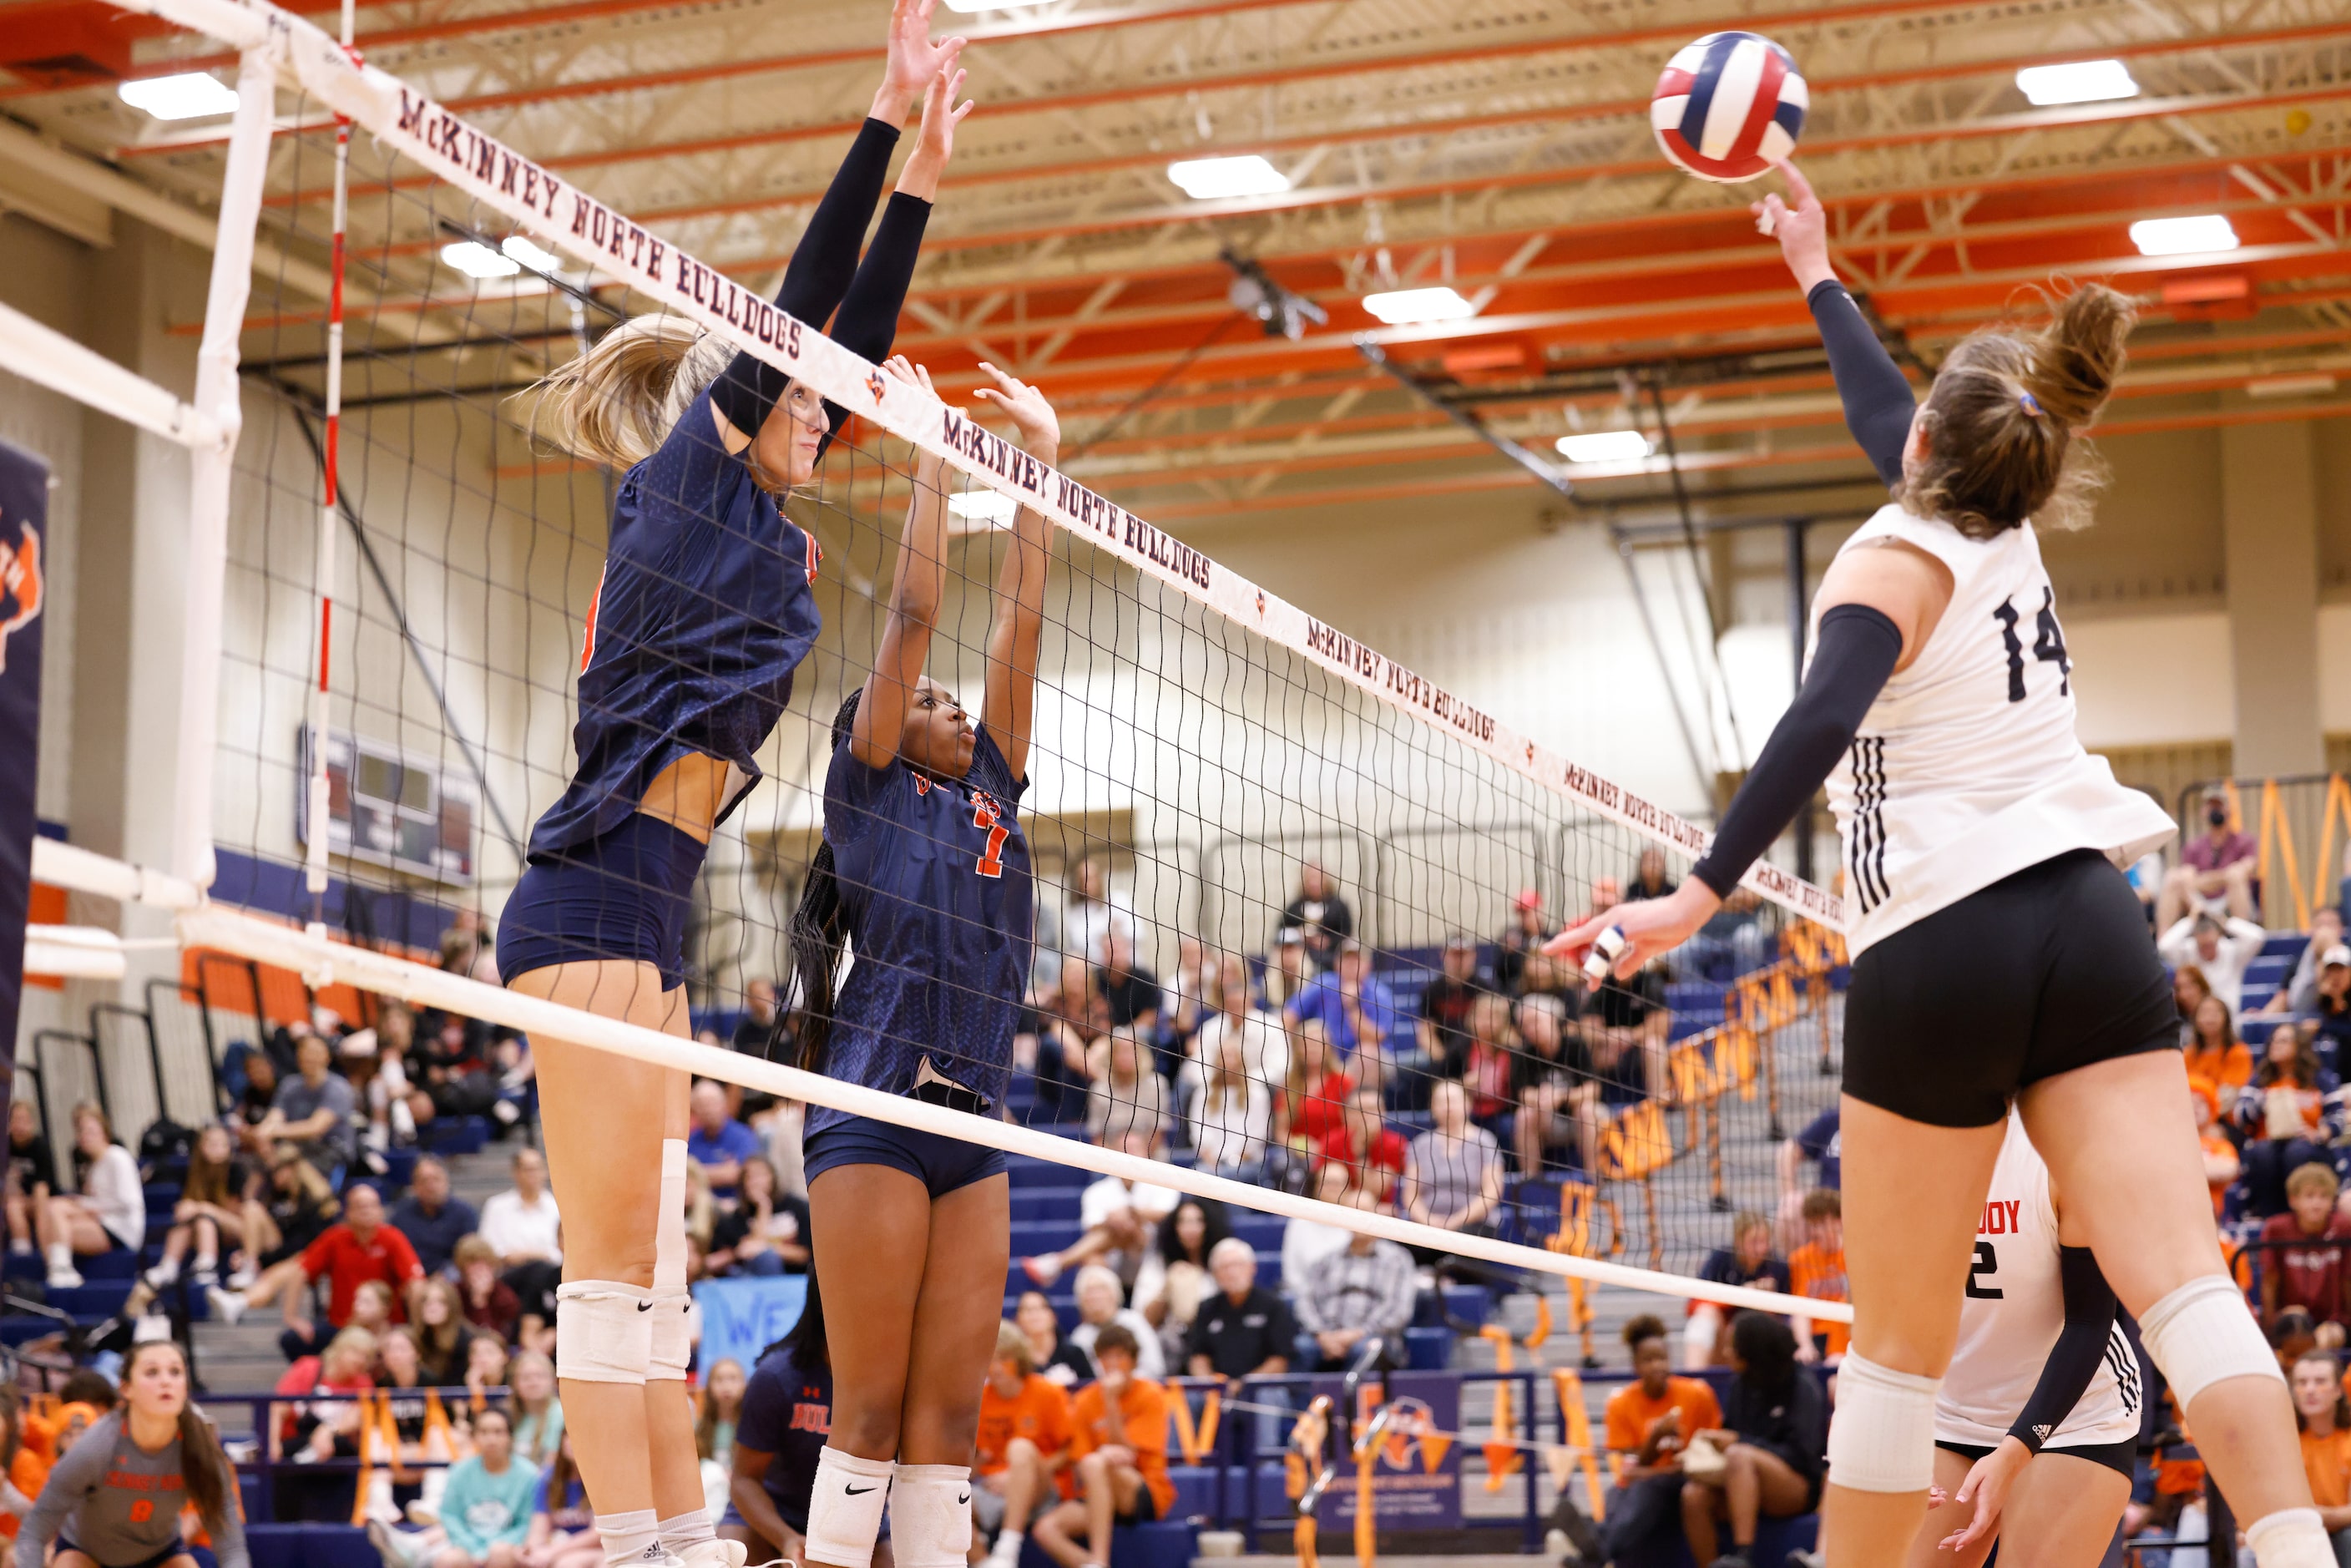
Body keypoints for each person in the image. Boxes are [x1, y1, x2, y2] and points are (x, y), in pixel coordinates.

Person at [1559, 159, 2332, 1568]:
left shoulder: (1889, 556)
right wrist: (1815, 264)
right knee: (2186, 1288)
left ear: (1932, 441)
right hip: (2093, 914)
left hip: (1945, 937)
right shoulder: (2000, 523)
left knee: (1899, 1354)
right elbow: (1884, 411)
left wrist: (1697, 888)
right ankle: (2296, 1550)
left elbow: (1814, 719)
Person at [493, 8, 966, 1564]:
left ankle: (674, 1531)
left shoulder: (769, 525)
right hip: (590, 894)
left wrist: (927, 193)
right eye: (802, 398)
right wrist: (883, 120)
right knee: (608, 1271)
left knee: (658, 1278)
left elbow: (853, 344)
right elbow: (805, 311)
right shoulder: (689, 484)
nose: (827, 410)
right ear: (741, 410)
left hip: (656, 907)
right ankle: (636, 1540)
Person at [782, 346, 1051, 1568]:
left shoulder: (993, 776)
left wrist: (1041, 471)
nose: (948, 702)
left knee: (951, 1423)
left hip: (977, 1119)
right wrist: (935, 462)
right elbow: (912, 616)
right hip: (875, 1109)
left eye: (952, 700)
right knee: (875, 1413)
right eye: (926, 699)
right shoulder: (871, 787)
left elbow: (1022, 618)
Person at [1906, 1111, 2140, 1568]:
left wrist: (2017, 1449)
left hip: (2074, 1417)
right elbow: (1901, 1321)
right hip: (1954, 1415)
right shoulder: (1902, 1153)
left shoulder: (2062, 1158)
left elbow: (2089, 1325)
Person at [19, 1339, 246, 1568]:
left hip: (160, 1553)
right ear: (126, 1388)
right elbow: (34, 1530)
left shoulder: (200, 1447)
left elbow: (232, 1547)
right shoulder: (96, 1446)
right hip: (86, 1552)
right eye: (152, 1372)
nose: (166, 1381)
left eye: (175, 1372)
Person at [726, 1273, 894, 1568]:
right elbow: (744, 1480)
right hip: (774, 1516)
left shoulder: (892, 1380)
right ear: (825, 1303)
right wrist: (786, 1538)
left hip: (858, 1519)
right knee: (731, 1556)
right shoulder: (776, 1376)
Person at [1677, 1313, 1826, 1568]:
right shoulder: (1739, 1386)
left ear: (1751, 1350)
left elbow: (1805, 1456)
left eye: (1731, 1347)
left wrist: (1741, 1442)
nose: (1725, 1353)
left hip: (1795, 1487)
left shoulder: (1802, 1385)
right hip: (1743, 1484)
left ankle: (1742, 1556)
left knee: (1739, 1455)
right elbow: (1733, 1436)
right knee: (1694, 1495)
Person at [1029, 1326, 1173, 1568]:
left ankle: (1099, 1558)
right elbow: (1080, 1463)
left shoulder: (1151, 1394)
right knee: (1046, 1530)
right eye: (1106, 1357)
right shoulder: (1085, 1399)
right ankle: (1094, 1565)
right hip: (1097, 1492)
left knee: (1097, 1462)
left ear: (1133, 1360)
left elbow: (1131, 1457)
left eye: (1120, 1356)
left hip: (1141, 1485)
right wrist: (1103, 1457)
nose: (1113, 1364)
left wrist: (1110, 1401)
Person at [1598, 1314, 1725, 1562]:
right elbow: (1635, 1468)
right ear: (1635, 1365)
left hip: (1687, 1480)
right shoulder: (1621, 1404)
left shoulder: (1697, 1394)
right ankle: (1600, 1548)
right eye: (1648, 1360)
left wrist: (1650, 1473)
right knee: (1616, 1495)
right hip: (1649, 1487)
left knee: (1645, 1487)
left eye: (1663, 1358)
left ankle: (1597, 1553)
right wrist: (1656, 1436)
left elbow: (1707, 1457)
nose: (1658, 1366)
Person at [971, 1322, 1074, 1568]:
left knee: (1020, 1448)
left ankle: (1008, 1546)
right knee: (947, 1499)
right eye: (991, 1359)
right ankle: (988, 1563)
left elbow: (1070, 1451)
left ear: (1018, 1359)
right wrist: (980, 1465)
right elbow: (974, 1466)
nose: (996, 1368)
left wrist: (1016, 1475)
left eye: (1003, 1359)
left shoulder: (1047, 1392)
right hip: (992, 1489)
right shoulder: (980, 1400)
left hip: (1044, 1487)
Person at [1296, 1186, 1414, 1371]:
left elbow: (1397, 1311)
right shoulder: (1326, 1261)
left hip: (1373, 1338)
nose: (1358, 1218)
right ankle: (1304, 1401)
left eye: (1364, 1212)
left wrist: (1356, 1334)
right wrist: (1322, 1335)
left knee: (1365, 1350)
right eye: (1352, 1212)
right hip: (1326, 1337)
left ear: (1377, 1215)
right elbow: (1306, 1302)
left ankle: (1353, 1400)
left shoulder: (1397, 1260)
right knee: (1300, 1347)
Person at [135, 1123, 250, 1300]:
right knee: (188, 1220)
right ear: (201, 1146)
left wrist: (201, 1208)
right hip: (201, 1230)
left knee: (203, 1218)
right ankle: (169, 1266)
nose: (218, 1149)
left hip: (233, 1230)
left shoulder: (235, 1171)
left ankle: (207, 1266)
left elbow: (235, 1218)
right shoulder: (193, 1171)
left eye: (223, 1144)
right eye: (212, 1144)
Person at [38, 1104, 144, 1290]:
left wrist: (85, 1205)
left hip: (122, 1229)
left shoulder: (117, 1157)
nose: (85, 1137)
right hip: (103, 1221)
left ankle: (60, 1268)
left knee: (56, 1208)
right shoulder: (93, 1166)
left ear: (104, 1132)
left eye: (90, 1131)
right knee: (53, 1211)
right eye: (81, 1132)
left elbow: (128, 1201)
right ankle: (58, 1269)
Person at [1399, 1080, 1505, 1265]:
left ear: (1467, 1104)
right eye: (1440, 1101)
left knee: (1467, 1241)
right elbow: (1410, 1196)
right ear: (1432, 1107)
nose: (1447, 1107)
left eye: (1452, 1100)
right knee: (1398, 1239)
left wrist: (1455, 1222)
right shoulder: (1421, 1144)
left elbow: (1492, 1193)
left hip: (1473, 1226)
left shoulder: (1485, 1141)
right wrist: (1429, 1222)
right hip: (1428, 1228)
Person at [2240, 1033, 2344, 1219]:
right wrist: (2261, 1101)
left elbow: (2338, 1118)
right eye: (2273, 1040)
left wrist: (2320, 1133)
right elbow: (2241, 1118)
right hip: (2269, 1144)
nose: (2275, 1045)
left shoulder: (2320, 1079)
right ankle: (2272, 1220)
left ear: (2300, 1046)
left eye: (2283, 1040)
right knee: (2262, 1153)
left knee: (2297, 1151)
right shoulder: (2260, 1079)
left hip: (2310, 1146)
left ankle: (2302, 1217)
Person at [430, 1405, 538, 1568]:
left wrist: (496, 1547)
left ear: (510, 1437)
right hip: (468, 1544)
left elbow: (527, 1523)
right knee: (447, 1561)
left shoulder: (529, 1474)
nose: (491, 1439)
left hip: (510, 1545)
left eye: (498, 1432)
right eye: (484, 1432)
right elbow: (450, 1516)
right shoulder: (459, 1471)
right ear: (474, 1436)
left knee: (500, 1553)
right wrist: (473, 1548)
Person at [1687, 1214, 1792, 1372]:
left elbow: (1787, 1322)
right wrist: (1739, 1294)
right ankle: (1694, 1379)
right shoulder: (1721, 1260)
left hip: (1756, 1345)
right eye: (1754, 1242)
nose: (1761, 1248)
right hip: (1722, 1342)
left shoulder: (1778, 1267)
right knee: (1705, 1313)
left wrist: (1769, 1302)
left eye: (1765, 1241)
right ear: (1738, 1242)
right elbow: (1692, 1306)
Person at [2260, 1166, 2351, 1343]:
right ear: (2293, 1200)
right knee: (2295, 1324)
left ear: (2333, 1201)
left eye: (2324, 1196)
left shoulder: (2344, 1227)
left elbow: (2348, 1279)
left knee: (2331, 1335)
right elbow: (2270, 1280)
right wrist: (2270, 1328)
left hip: (2333, 1321)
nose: (2316, 1204)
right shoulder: (2276, 1229)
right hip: (2291, 1318)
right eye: (2309, 1196)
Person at [1183, 1238, 1293, 1382]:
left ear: (1252, 1268)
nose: (1232, 1272)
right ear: (1215, 1274)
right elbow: (1198, 1357)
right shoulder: (1206, 1308)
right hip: (1218, 1386)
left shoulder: (1273, 1306)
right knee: (1192, 1396)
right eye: (1224, 1267)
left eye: (1237, 1265)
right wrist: (1210, 1382)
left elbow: (1280, 1360)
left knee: (1270, 1395)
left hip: (1260, 1385)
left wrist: (1245, 1383)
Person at [2160, 787, 2260, 928]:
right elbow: (2188, 880)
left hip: (2229, 900)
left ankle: (2241, 935)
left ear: (2229, 810)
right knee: (2173, 878)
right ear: (2203, 811)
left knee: (2236, 877)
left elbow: (2244, 870)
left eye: (2219, 806)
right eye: (2211, 806)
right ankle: (2162, 943)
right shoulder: (2194, 846)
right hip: (2198, 902)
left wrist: (2207, 879)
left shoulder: (2245, 842)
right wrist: (2223, 878)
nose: (2215, 810)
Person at [2290, 1352, 2351, 1562]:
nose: (2310, 1390)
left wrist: (2313, 1515)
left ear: (2338, 1390)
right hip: (2294, 1535)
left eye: (2320, 1381)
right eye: (2302, 1382)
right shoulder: (2285, 1442)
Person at [707, 1156, 811, 1277]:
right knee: (764, 1259)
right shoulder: (739, 1216)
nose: (756, 1182)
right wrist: (763, 1207)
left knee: (768, 1256)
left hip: (795, 1275)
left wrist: (768, 1247)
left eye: (761, 1175)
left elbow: (805, 1255)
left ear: (773, 1177)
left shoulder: (796, 1207)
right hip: (754, 1276)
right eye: (750, 1177)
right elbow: (748, 1253)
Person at [2161, 908, 2271, 1018]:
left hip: (2229, 1021)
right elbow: (2164, 946)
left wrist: (2224, 922)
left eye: (2210, 945)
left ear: (2219, 936)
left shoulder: (2232, 952)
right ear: (2195, 939)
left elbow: (2258, 937)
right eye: (2202, 946)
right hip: (2196, 1023)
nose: (2207, 950)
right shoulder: (2187, 953)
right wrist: (2190, 921)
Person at [1068, 1267, 1165, 1381]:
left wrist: (1125, 1383)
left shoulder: (1134, 1321)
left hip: (1138, 1390)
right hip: (1098, 1394)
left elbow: (1155, 1367)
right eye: (1088, 1292)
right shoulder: (1080, 1336)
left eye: (1101, 1289)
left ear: (1114, 1293)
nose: (1094, 1296)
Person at [392, 1157, 480, 1280]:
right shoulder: (401, 1216)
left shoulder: (464, 1213)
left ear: (447, 1181)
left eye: (436, 1179)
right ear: (415, 1186)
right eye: (424, 1181)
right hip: (412, 1278)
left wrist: (442, 1277)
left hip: (452, 1279)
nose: (430, 1186)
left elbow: (469, 1255)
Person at [1317, 1085, 1407, 1206]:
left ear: (1383, 1112)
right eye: (1360, 1110)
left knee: (1362, 1201)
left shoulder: (1394, 1143)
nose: (1366, 1116)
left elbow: (1376, 1191)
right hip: (1336, 1208)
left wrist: (1361, 1152)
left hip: (1375, 1212)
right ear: (1346, 1114)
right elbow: (1324, 1191)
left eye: (1372, 1109)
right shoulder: (1332, 1141)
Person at [1788, 1190, 1849, 1364]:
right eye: (1812, 1225)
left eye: (1821, 1224)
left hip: (1848, 1333)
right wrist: (1805, 1345)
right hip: (1817, 1337)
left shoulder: (1854, 1255)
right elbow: (1800, 1308)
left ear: (1838, 1222)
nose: (1815, 1232)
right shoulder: (1800, 1258)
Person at [686, 1081, 765, 1206]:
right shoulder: (691, 1139)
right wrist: (722, 1172)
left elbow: (739, 1175)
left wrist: (699, 1173)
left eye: (712, 1104)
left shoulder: (743, 1135)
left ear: (724, 1105)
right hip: (699, 1206)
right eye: (701, 1106)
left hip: (736, 1205)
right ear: (694, 1111)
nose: (707, 1110)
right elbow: (687, 1178)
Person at [1278, 863, 1353, 972]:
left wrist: (1329, 942)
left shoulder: (1339, 907)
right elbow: (1281, 933)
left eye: (1318, 877)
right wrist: (1297, 935)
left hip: (1331, 956)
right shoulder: (1294, 907)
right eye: (1311, 878)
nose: (1314, 883)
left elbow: (1347, 934)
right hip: (1299, 958)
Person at [457, 1237, 523, 1344]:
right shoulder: (456, 1293)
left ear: (492, 1267)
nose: (478, 1270)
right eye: (472, 1264)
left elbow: (495, 1339)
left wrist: (481, 1302)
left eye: (483, 1264)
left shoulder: (505, 1297)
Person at [2184, 993, 2256, 1092]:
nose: (2209, 1018)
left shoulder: (2239, 1052)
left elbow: (2232, 1091)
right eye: (2204, 1013)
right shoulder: (2188, 1054)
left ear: (2226, 1018)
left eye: (2215, 1013)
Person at [508, 1350, 567, 1470]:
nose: (533, 1383)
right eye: (526, 1378)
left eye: (540, 1376)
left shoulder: (560, 1415)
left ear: (553, 1381)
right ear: (515, 1383)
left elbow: (553, 1462)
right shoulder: (509, 1414)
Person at [1494, 889, 1555, 997]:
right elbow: (1500, 974)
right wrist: (1505, 953)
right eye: (1519, 913)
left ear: (1539, 911)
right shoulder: (1510, 938)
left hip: (1549, 992)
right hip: (1517, 994)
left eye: (1526, 912)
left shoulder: (1552, 939)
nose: (1522, 917)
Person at [697, 1359, 746, 1474]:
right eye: (719, 1379)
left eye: (733, 1379)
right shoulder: (699, 1427)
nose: (726, 1386)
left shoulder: (751, 1428)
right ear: (709, 1385)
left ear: (744, 1384)